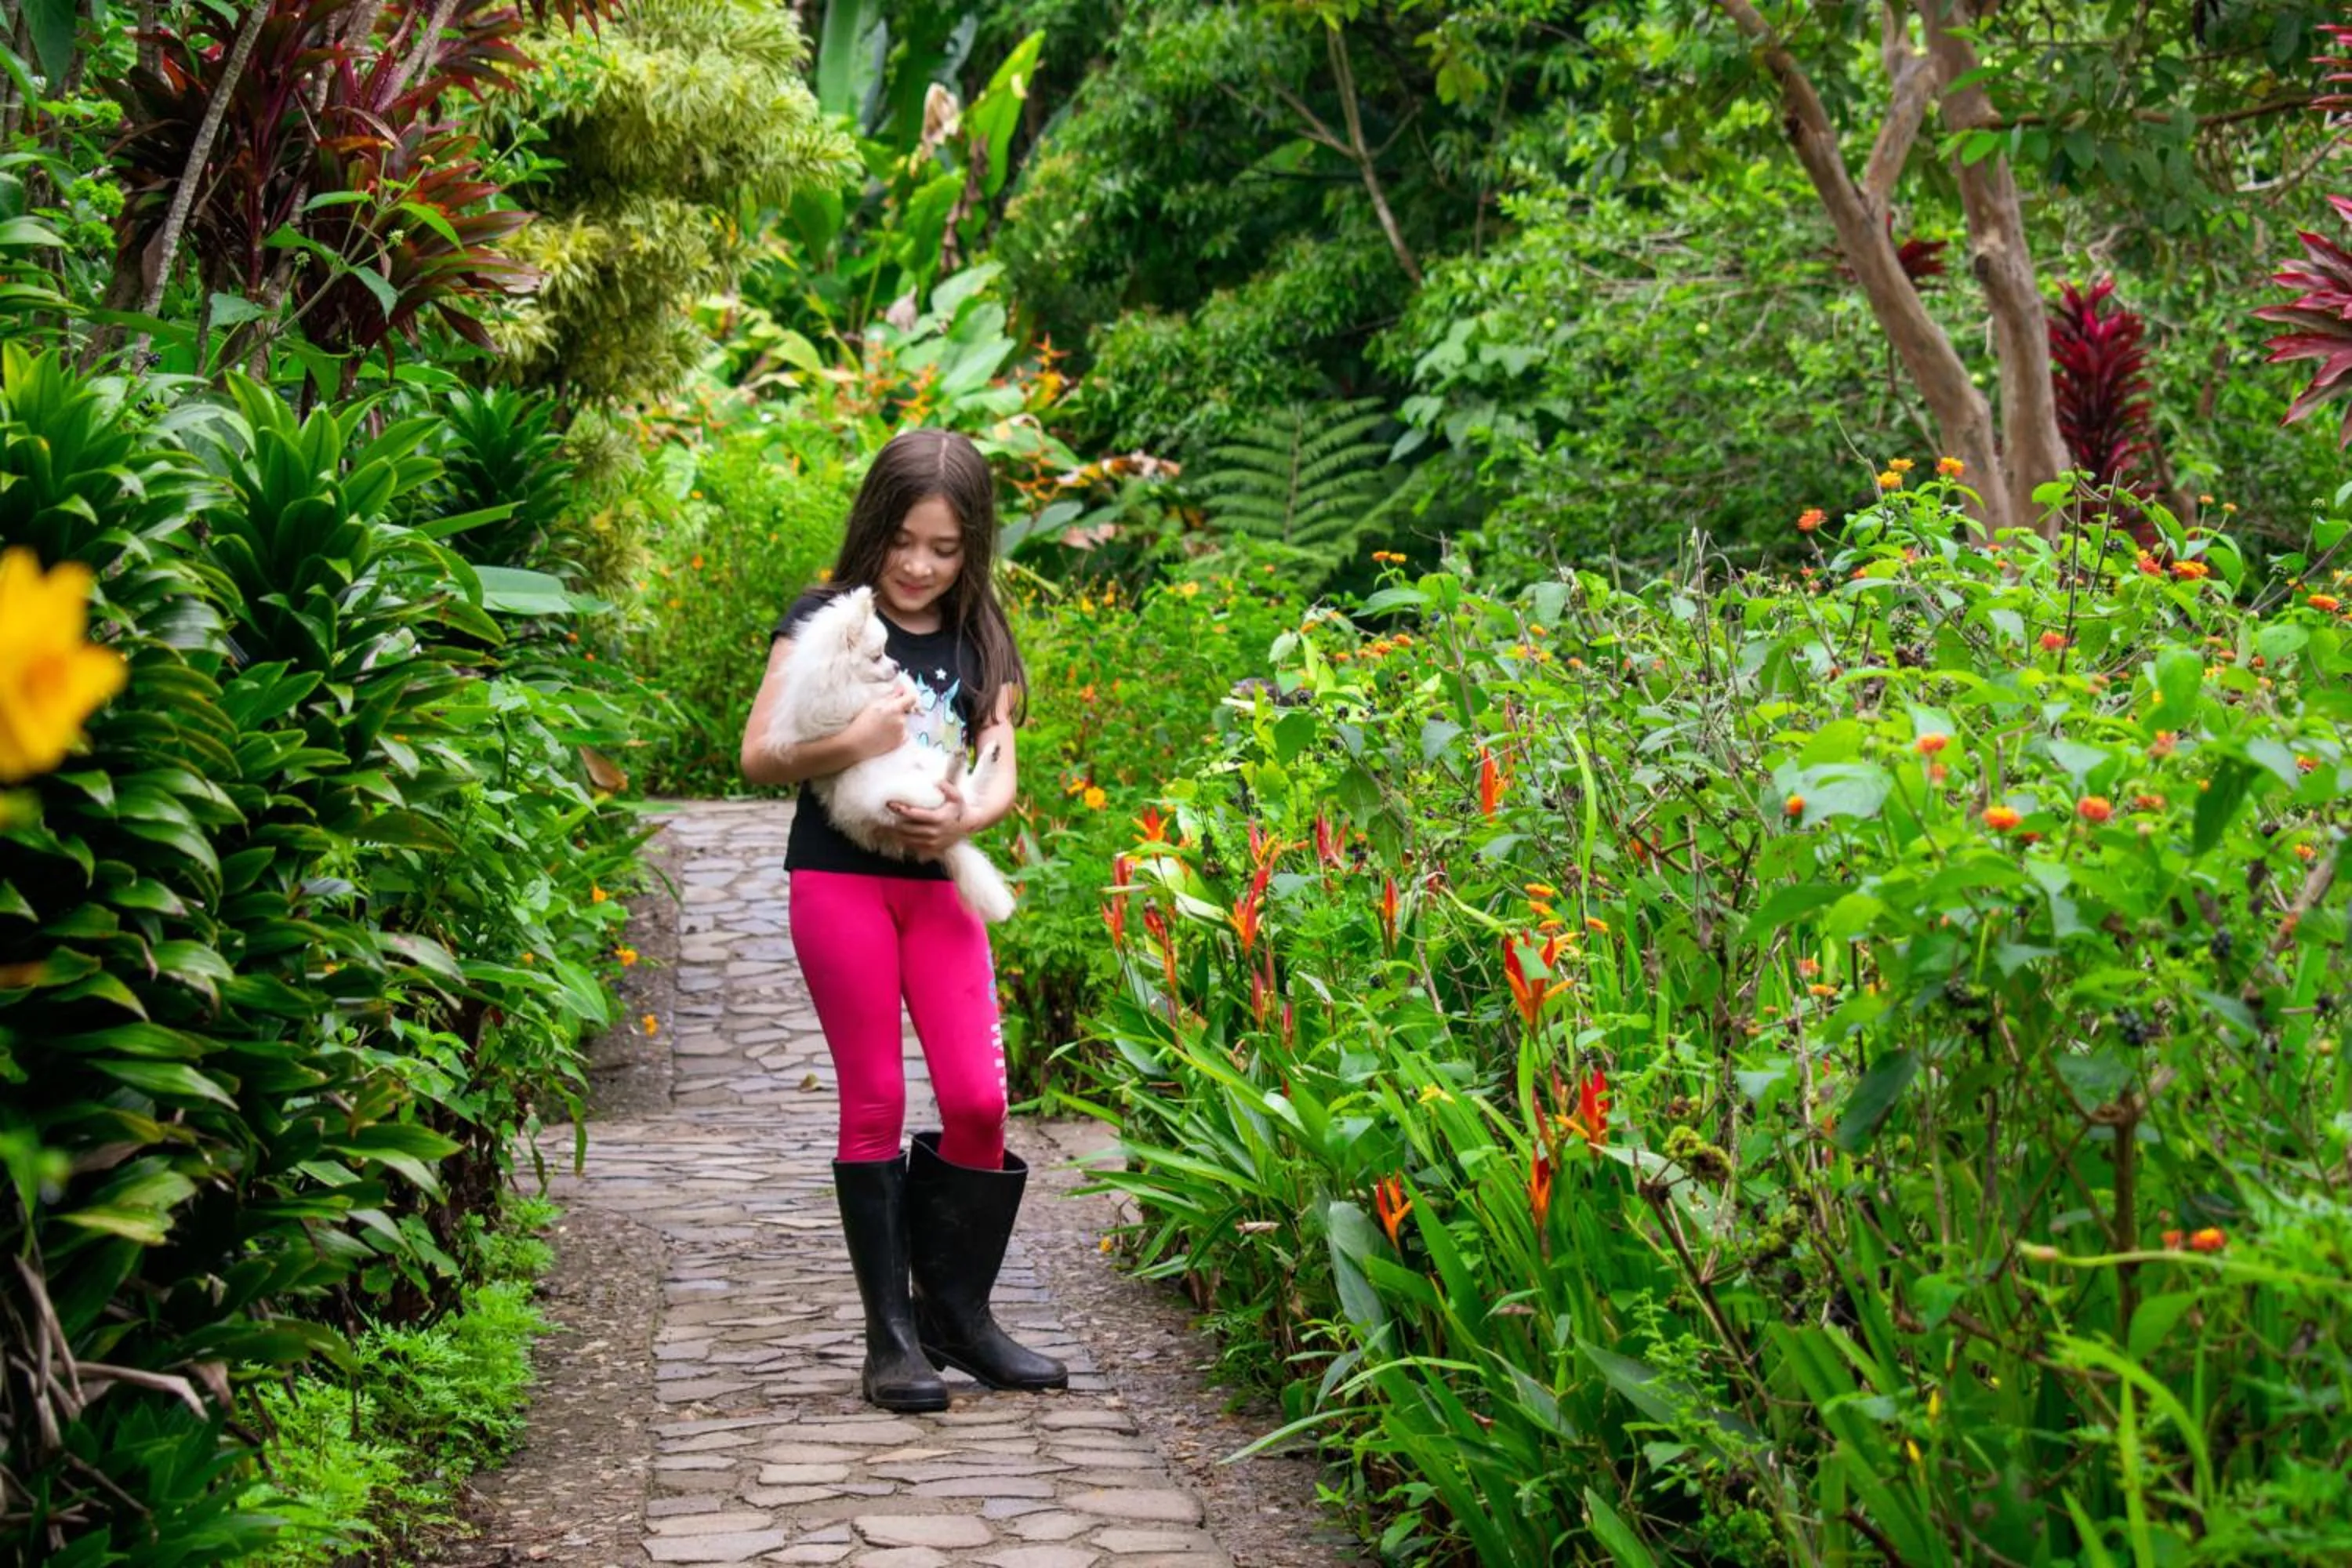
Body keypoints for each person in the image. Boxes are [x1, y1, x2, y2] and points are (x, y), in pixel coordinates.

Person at [739, 427, 1065, 1413]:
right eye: (905, 542)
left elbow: (1000, 763)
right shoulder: (822, 618)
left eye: (947, 548)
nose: (921, 565)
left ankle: (956, 1315)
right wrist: (858, 737)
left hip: (940, 886)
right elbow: (758, 756)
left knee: (978, 1100)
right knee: (874, 1095)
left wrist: (971, 811)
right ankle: (891, 1342)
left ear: (973, 549)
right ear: (875, 527)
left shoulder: (984, 638)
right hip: (838, 881)